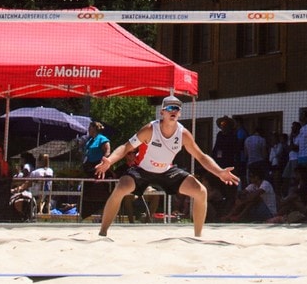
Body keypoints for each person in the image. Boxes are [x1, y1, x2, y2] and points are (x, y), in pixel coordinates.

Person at [92, 95, 239, 238]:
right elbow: (126, 147)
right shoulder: (150, 129)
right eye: (169, 108)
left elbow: (201, 156)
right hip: (143, 170)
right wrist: (109, 161)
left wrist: (219, 172)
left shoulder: (183, 134)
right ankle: (103, 232)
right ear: (162, 112)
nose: (173, 111)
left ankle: (197, 236)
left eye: (177, 108)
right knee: (120, 188)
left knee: (201, 192)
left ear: (180, 113)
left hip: (167, 171)